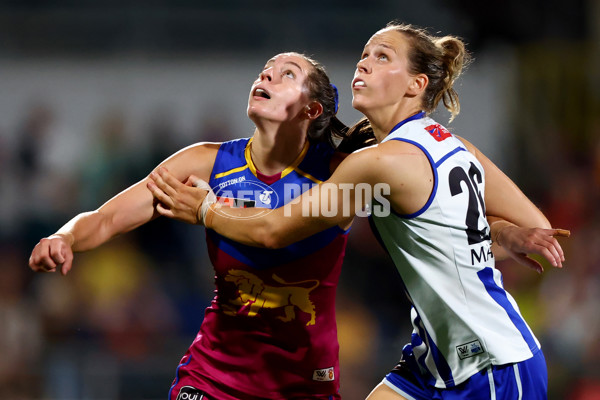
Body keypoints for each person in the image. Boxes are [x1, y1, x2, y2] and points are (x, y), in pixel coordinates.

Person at [156, 23, 570, 399]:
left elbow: (272, 232)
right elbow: (531, 227)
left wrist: (206, 209)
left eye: (383, 57)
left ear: (415, 84)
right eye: (365, 55)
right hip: (433, 360)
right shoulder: (451, 146)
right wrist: (501, 233)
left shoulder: (379, 164)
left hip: (491, 364)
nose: (365, 63)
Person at [29, 52, 362, 400]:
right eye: (264, 72)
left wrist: (208, 210)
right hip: (215, 374)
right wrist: (63, 236)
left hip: (303, 382)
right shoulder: (207, 162)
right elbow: (107, 217)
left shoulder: (342, 174)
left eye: (287, 75)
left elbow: (272, 232)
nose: (266, 78)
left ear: (311, 110)